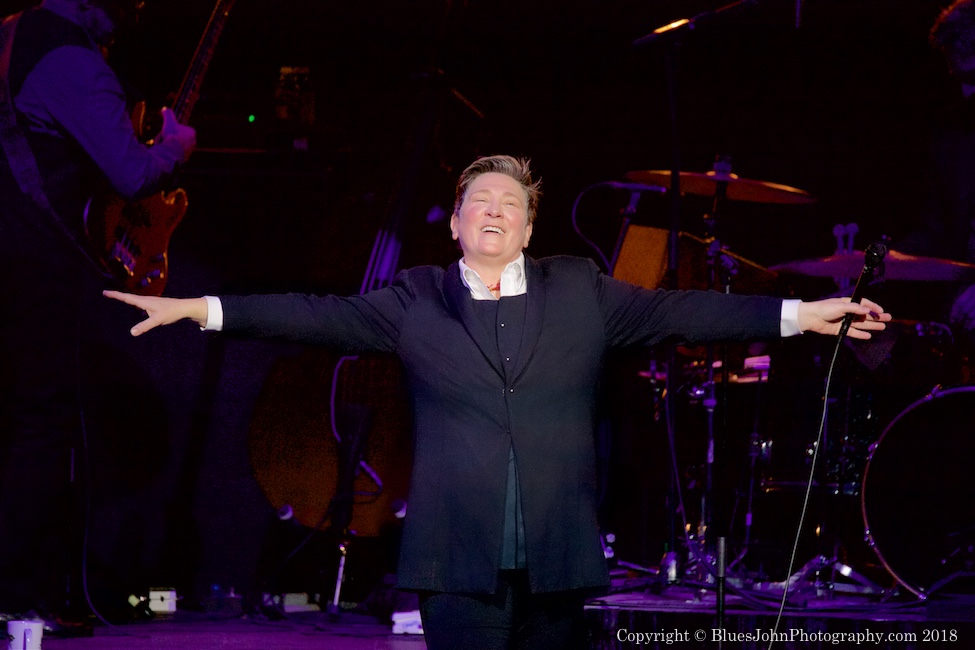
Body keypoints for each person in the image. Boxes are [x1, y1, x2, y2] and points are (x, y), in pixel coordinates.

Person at [105, 154, 889, 649]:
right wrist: (197, 307)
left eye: (508, 202)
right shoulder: (414, 298)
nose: (492, 209)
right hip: (456, 563)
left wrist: (802, 315)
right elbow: (309, 314)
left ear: (527, 226)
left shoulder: (579, 289)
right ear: (454, 224)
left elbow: (681, 310)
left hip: (558, 561)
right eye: (478, 199)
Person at [0, 0, 196, 626]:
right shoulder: (70, 57)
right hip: (31, 263)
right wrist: (175, 145)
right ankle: (16, 596)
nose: (136, 9)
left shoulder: (12, 34)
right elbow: (132, 174)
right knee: (40, 421)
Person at [895, 0, 975, 333]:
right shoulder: (954, 136)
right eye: (961, 79)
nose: (967, 93)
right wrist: (882, 263)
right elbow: (937, 232)